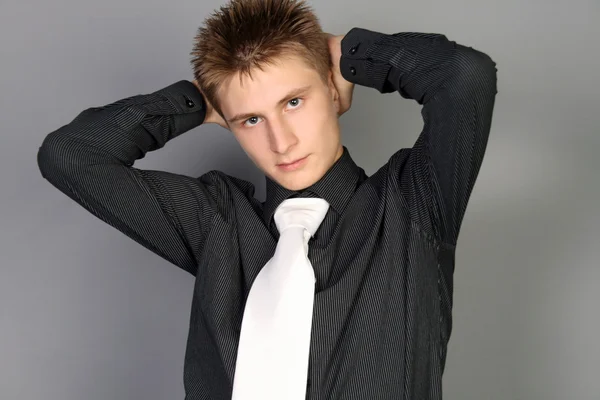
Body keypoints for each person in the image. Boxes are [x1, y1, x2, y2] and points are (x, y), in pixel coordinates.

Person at [36, 0, 497, 398]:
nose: (281, 141)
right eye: (250, 120)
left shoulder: (414, 203)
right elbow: (69, 157)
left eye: (293, 102)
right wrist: (198, 99)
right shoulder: (215, 223)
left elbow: (465, 76)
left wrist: (348, 53)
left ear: (333, 91)